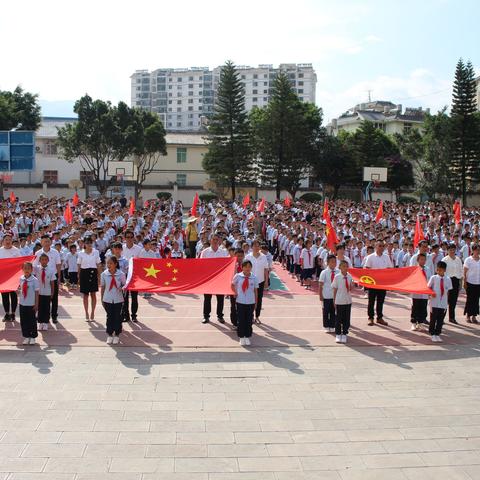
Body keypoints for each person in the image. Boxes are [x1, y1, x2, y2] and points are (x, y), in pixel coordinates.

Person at [200, 233, 228, 324]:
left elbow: (226, 266)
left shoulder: (223, 252)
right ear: (210, 240)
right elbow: (201, 266)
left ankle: (220, 316)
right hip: (208, 279)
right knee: (207, 298)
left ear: (219, 241)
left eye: (217, 239)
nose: (215, 241)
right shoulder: (205, 252)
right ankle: (206, 316)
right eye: (213, 239)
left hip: (220, 279)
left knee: (220, 298)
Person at [33, 235, 61, 324]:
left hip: (53, 277)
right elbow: (34, 266)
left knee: (54, 297)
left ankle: (54, 316)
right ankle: (41, 316)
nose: (46, 243)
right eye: (44, 241)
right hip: (40, 277)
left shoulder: (55, 252)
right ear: (41, 243)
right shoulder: (37, 253)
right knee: (40, 297)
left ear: (50, 242)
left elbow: (58, 265)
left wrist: (59, 277)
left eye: (48, 241)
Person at [364, 240, 392, 326]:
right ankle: (370, 318)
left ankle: (379, 318)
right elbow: (366, 269)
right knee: (371, 301)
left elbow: (389, 269)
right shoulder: (370, 257)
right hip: (372, 283)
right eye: (379, 246)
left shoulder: (386, 257)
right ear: (376, 246)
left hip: (382, 283)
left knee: (380, 301)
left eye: (383, 246)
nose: (381, 248)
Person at [231, 259, 258, 346]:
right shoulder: (238, 276)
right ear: (242, 267)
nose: (247, 268)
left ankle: (247, 336)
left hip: (250, 302)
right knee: (241, 320)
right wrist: (235, 292)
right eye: (245, 266)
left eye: (249, 267)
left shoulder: (254, 277)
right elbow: (232, 284)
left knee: (249, 320)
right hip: (240, 301)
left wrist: (256, 302)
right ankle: (241, 337)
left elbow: (255, 291)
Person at [101, 256, 126, 345]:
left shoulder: (121, 274)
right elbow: (103, 287)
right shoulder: (104, 274)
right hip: (107, 298)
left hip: (118, 299)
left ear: (115, 264)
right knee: (109, 316)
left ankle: (117, 334)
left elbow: (125, 285)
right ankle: (109, 334)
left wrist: (122, 288)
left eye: (111, 263)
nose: (109, 265)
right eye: (108, 263)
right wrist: (102, 299)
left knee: (117, 317)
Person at [77, 237, 102, 321]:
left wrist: (99, 276)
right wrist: (79, 277)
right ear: (84, 244)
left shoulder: (96, 252)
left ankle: (92, 313)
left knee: (93, 294)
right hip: (84, 274)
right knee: (85, 295)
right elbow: (79, 266)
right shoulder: (80, 253)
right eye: (87, 243)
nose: (89, 244)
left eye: (90, 242)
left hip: (93, 273)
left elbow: (98, 264)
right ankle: (86, 313)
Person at [245, 239, 269, 323]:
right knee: (250, 299)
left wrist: (266, 281)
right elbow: (245, 270)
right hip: (250, 281)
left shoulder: (263, 257)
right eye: (254, 245)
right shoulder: (248, 257)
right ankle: (251, 316)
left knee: (259, 299)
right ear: (251, 247)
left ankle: (257, 316)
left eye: (258, 245)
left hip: (260, 281)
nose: (256, 247)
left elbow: (266, 270)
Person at [428, 261, 452, 342]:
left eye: (441, 270)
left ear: (444, 270)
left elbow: (448, 290)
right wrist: (432, 293)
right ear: (436, 269)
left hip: (443, 302)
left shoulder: (448, 279)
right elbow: (428, 287)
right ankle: (432, 333)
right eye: (438, 270)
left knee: (440, 319)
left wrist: (447, 301)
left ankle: (437, 333)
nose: (439, 271)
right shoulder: (433, 278)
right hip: (434, 302)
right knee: (433, 318)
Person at [0, 232, 21, 322]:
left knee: (13, 296)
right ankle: (7, 313)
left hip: (13, 278)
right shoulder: (0, 250)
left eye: (9, 240)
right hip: (3, 278)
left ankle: (13, 313)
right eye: (6, 240)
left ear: (12, 241)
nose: (8, 241)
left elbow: (20, 263)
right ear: (3, 241)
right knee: (4, 296)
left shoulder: (16, 250)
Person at [122, 230, 142, 322]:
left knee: (134, 297)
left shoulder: (138, 249)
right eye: (127, 237)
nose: (129, 239)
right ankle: (126, 315)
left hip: (134, 276)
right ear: (125, 238)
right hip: (124, 275)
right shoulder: (121, 249)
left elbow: (141, 263)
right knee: (124, 297)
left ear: (133, 238)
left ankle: (134, 315)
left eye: (131, 237)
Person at [332, 260, 353, 344]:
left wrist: (352, 285)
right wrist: (334, 300)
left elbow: (351, 289)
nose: (345, 268)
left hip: (347, 300)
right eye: (343, 266)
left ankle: (344, 333)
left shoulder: (350, 276)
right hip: (339, 300)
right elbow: (335, 289)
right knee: (338, 318)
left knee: (346, 318)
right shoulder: (337, 277)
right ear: (339, 267)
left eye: (346, 266)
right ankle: (338, 334)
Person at [18, 261, 39, 345]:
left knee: (32, 321)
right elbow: (21, 290)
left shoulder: (35, 280)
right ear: (22, 269)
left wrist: (36, 304)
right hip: (22, 303)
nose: (27, 270)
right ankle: (26, 336)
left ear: (32, 270)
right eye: (25, 268)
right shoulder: (21, 278)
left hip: (31, 304)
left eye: (28, 268)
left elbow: (37, 293)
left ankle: (33, 337)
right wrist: (18, 292)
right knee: (23, 321)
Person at [442, 243, 463, 324]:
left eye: (453, 249)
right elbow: (441, 271)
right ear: (447, 250)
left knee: (453, 301)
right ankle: (441, 318)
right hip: (447, 280)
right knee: (444, 300)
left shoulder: (458, 259)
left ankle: (452, 317)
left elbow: (460, 271)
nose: (452, 251)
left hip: (455, 280)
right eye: (450, 249)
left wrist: (460, 282)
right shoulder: (445, 260)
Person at [410, 253, 431, 331]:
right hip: (416, 292)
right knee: (415, 307)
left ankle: (420, 323)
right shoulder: (415, 269)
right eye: (421, 259)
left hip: (424, 292)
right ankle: (413, 323)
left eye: (424, 259)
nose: (423, 261)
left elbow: (429, 280)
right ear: (418, 260)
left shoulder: (427, 269)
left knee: (423, 307)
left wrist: (429, 290)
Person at [35, 253, 55, 330]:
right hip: (38, 292)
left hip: (47, 292)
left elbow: (52, 282)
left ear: (48, 260)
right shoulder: (36, 268)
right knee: (39, 307)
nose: (44, 261)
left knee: (46, 308)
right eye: (42, 260)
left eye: (45, 260)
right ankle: (40, 322)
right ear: (39, 260)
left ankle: (46, 322)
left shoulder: (51, 270)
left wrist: (52, 292)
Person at [318, 254, 338, 333]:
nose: (334, 263)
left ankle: (332, 325)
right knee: (326, 311)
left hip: (335, 296)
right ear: (328, 262)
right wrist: (320, 295)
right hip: (326, 296)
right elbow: (320, 285)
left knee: (333, 311)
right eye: (332, 262)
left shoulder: (338, 272)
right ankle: (326, 325)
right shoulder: (324, 272)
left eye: (335, 262)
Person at [463, 244, 480, 323]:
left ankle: (474, 316)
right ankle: (468, 316)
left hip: (478, 283)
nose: (478, 251)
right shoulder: (468, 259)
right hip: (470, 282)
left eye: (479, 250)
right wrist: (465, 282)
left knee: (476, 300)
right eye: (476, 250)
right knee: (470, 299)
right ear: (472, 250)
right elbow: (465, 272)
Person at [229, 248, 244, 327]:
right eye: (238, 256)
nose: (240, 258)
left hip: (243, 290)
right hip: (234, 289)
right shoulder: (231, 265)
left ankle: (241, 321)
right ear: (234, 255)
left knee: (241, 306)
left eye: (241, 256)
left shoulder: (246, 265)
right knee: (233, 306)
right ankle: (234, 322)